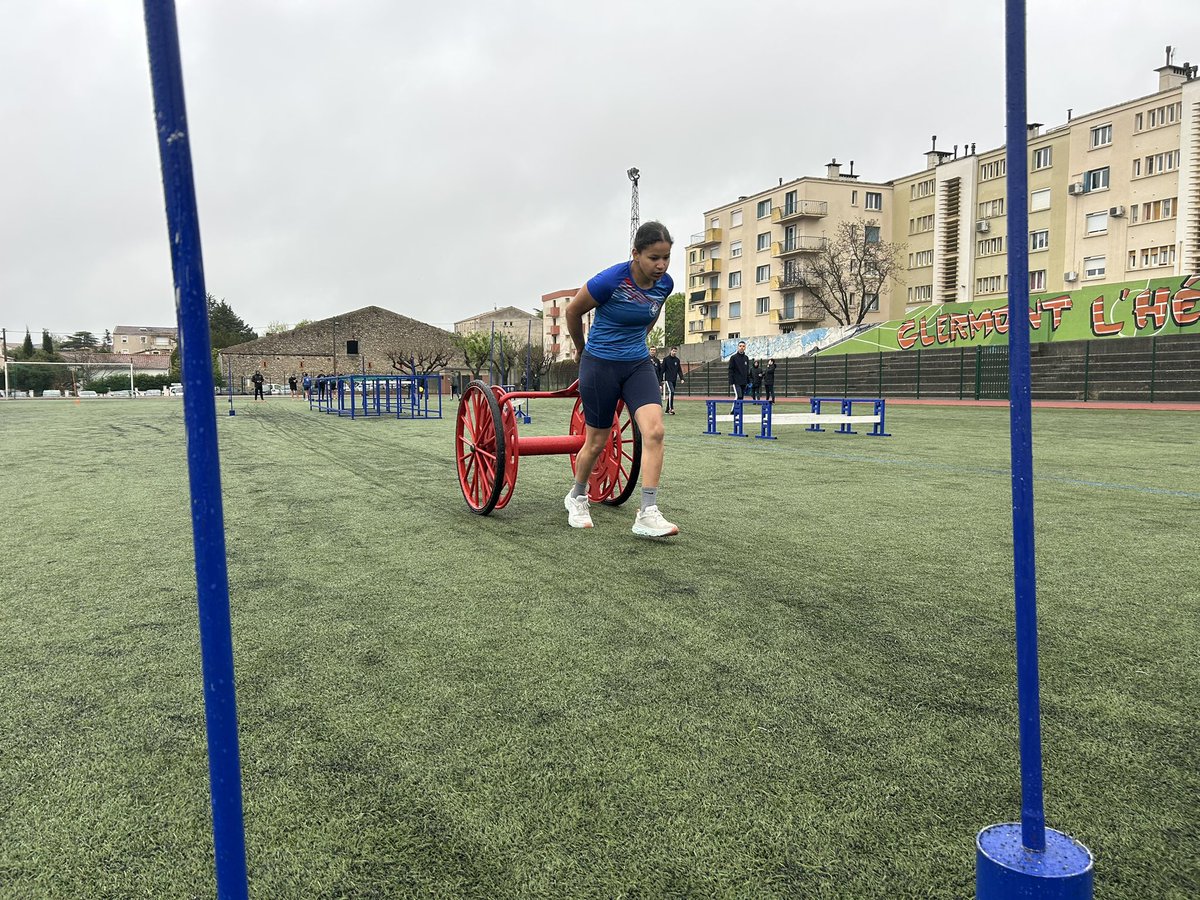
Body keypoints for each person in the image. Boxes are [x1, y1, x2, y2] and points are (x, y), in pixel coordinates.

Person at [563, 221, 678, 538]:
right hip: (600, 365)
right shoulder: (611, 280)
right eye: (654, 258)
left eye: (666, 257)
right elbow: (572, 312)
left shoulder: (665, 285)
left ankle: (648, 512)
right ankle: (577, 496)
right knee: (597, 441)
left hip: (637, 364)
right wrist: (581, 350)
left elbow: (651, 314)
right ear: (636, 253)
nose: (661, 265)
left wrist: (637, 339)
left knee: (655, 431)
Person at [727, 340, 750, 412]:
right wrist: (731, 381)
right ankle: (733, 411)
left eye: (743, 346)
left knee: (742, 397)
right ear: (738, 347)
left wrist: (748, 381)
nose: (741, 347)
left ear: (745, 347)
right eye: (740, 346)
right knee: (738, 396)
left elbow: (747, 370)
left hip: (744, 381)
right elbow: (730, 369)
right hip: (736, 381)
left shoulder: (746, 358)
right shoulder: (733, 357)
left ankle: (739, 411)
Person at [662, 347, 684, 415]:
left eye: (675, 351)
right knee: (671, 392)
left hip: (674, 379)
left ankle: (667, 410)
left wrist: (682, 378)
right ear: (671, 351)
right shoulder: (666, 359)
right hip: (668, 379)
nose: (674, 352)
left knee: (671, 394)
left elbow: (679, 370)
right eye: (673, 351)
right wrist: (660, 379)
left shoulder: (677, 360)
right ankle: (671, 409)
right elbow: (662, 370)